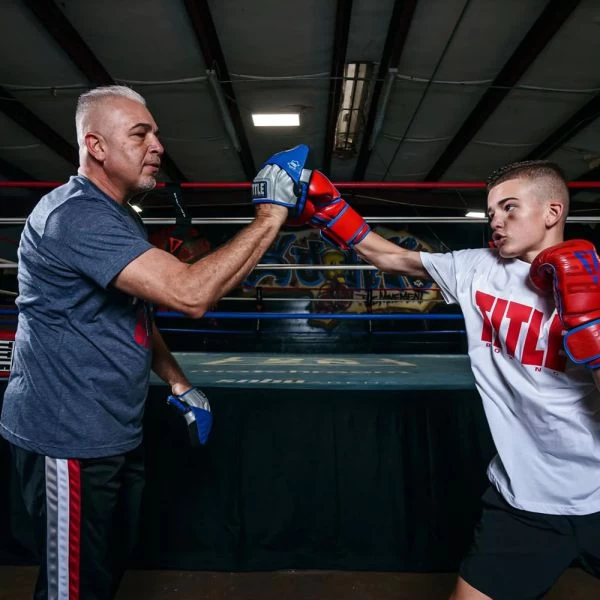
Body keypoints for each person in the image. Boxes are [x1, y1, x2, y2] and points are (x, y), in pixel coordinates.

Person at [0, 85, 304, 600]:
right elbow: (190, 294)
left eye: (156, 134)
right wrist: (270, 217)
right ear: (96, 146)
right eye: (140, 134)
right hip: (67, 438)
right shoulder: (77, 216)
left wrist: (178, 382)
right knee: (72, 588)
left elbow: (134, 313)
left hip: (114, 431)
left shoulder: (119, 215)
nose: (158, 146)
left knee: (103, 572)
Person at [270, 160, 600, 599]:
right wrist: (330, 209)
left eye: (509, 208)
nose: (495, 221)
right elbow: (390, 257)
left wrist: (592, 322)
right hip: (524, 500)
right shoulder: (475, 267)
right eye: (491, 212)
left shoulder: (597, 281)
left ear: (552, 212)